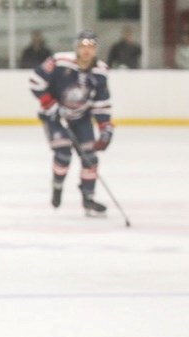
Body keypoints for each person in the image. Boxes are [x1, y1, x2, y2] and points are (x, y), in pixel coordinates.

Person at [29, 30, 113, 216]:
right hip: (54, 117)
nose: (86, 50)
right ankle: (58, 184)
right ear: (76, 47)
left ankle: (88, 199)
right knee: (63, 153)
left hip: (80, 118)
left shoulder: (100, 71)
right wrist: (50, 104)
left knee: (90, 158)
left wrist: (105, 129)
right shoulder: (59, 61)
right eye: (83, 46)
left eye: (91, 47)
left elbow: (101, 104)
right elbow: (35, 81)